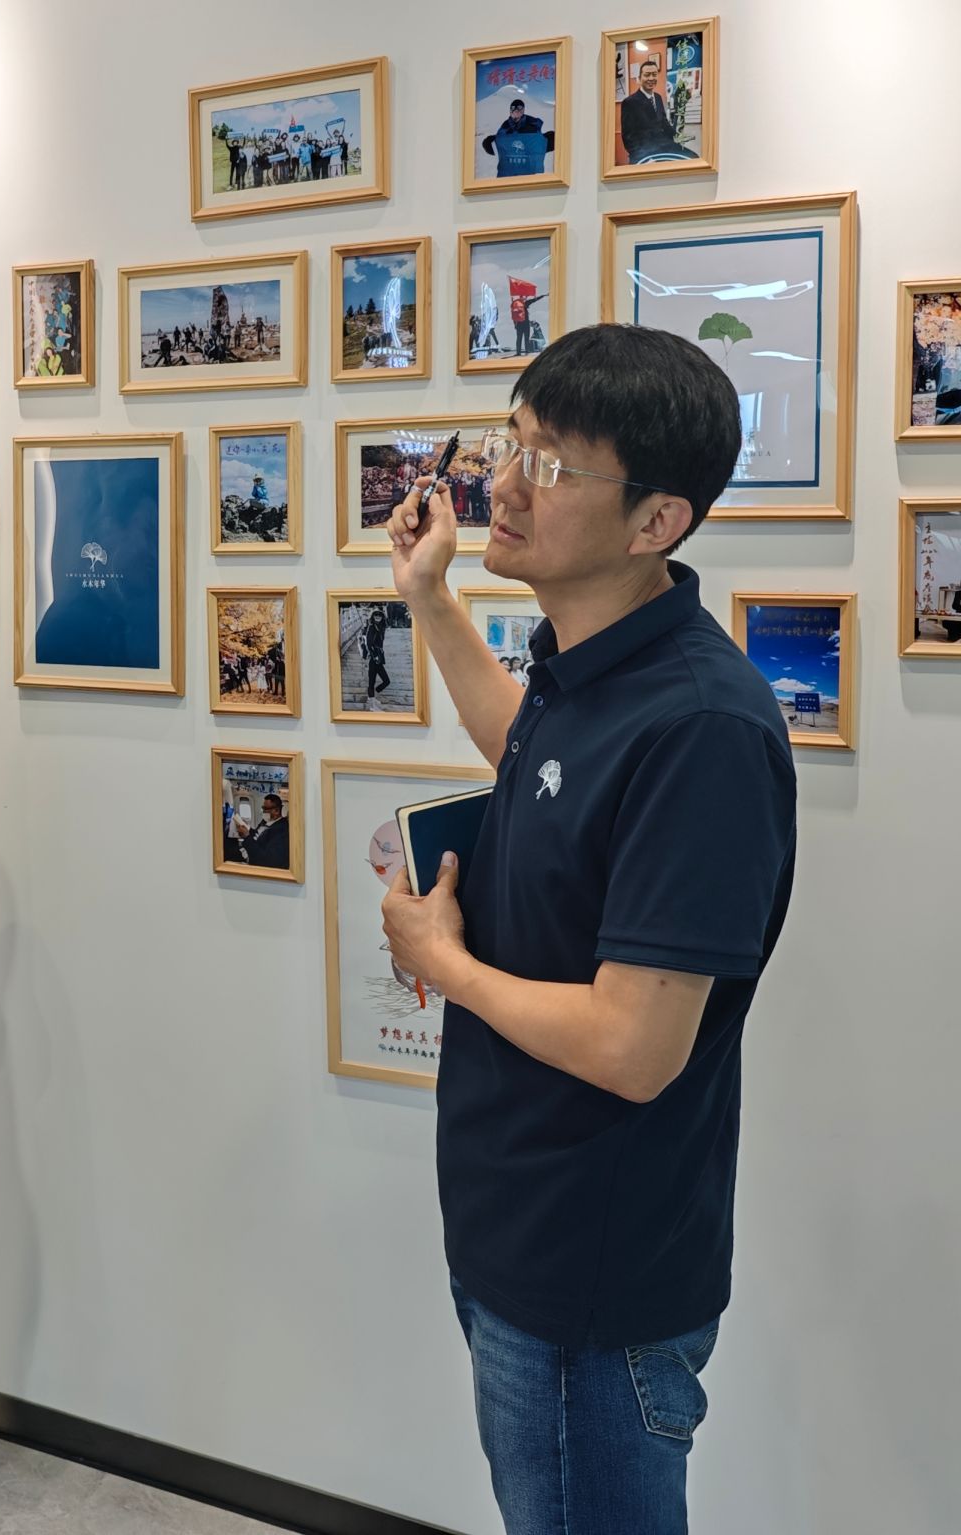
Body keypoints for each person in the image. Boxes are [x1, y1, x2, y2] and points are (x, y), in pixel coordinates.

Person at [379, 324, 796, 1534]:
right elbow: (526, 749)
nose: (503, 485)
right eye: (511, 443)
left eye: (552, 465)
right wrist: (428, 596)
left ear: (655, 521)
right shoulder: (589, 666)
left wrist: (444, 963)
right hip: (517, 1225)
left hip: (591, 1276)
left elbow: (632, 1044)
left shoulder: (701, 727)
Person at [620, 55, 696, 162]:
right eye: (647, 75)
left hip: (664, 146)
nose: (651, 78)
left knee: (694, 158)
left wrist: (677, 137)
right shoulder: (629, 102)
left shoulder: (658, 97)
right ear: (639, 78)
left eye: (654, 75)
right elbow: (628, 139)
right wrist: (646, 160)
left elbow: (664, 124)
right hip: (645, 153)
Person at [246, 794, 290, 871]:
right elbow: (257, 835)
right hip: (252, 857)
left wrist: (246, 837)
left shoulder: (281, 830)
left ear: (276, 811)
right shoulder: (265, 822)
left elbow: (267, 859)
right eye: (263, 808)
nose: (263, 811)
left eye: (266, 809)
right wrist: (248, 830)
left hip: (263, 866)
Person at [363, 604, 392, 707]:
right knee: (374, 681)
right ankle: (371, 700)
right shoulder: (372, 627)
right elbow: (368, 644)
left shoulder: (381, 628)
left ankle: (372, 696)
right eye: (376, 615)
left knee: (385, 681)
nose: (378, 617)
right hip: (374, 658)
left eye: (379, 615)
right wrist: (374, 656)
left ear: (382, 617)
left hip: (379, 657)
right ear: (373, 616)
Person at [512, 286, 547, 356]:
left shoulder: (515, 304)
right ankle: (527, 351)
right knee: (526, 338)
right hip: (526, 324)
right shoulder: (526, 303)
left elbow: (514, 316)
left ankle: (518, 352)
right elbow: (534, 300)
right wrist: (543, 296)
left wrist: (515, 325)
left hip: (519, 324)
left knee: (519, 339)